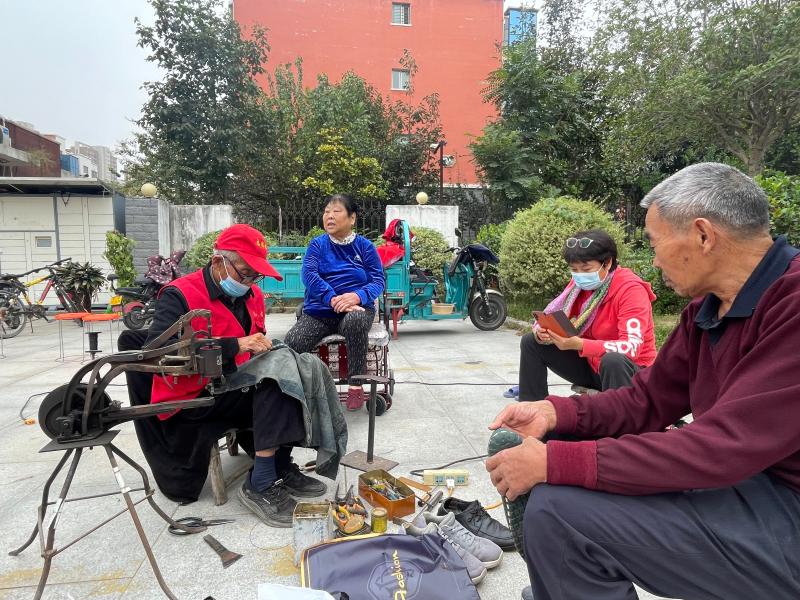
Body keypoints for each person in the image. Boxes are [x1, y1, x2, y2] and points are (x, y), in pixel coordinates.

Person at [485, 162, 800, 600]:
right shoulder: (708, 310)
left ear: (703, 235)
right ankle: (559, 580)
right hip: (745, 483)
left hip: (784, 507)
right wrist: (555, 412)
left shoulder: (792, 304)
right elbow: (647, 399)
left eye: (654, 242)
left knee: (560, 514)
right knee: (544, 469)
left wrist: (557, 461)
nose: (653, 260)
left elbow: (722, 445)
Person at [146, 224, 327, 528]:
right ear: (218, 262)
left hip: (233, 384)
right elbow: (157, 353)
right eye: (245, 273)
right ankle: (261, 482)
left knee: (296, 370)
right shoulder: (180, 295)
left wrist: (266, 350)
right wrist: (235, 345)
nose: (250, 282)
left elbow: (257, 342)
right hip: (194, 396)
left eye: (256, 275)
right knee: (273, 383)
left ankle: (280, 464)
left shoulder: (253, 294)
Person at [513, 229, 657, 402]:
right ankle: (531, 409)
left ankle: (621, 418)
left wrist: (581, 344)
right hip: (593, 366)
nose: (580, 275)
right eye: (574, 269)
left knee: (613, 360)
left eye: (586, 268)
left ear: (607, 263)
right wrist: (544, 332)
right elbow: (559, 314)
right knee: (531, 342)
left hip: (630, 373)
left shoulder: (631, 290)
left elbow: (631, 348)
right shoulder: (579, 286)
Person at [284, 194, 385, 410]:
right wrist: (332, 299)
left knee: (355, 321)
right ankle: (299, 390)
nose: (329, 216)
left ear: (352, 218)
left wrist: (357, 296)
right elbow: (309, 275)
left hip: (356, 309)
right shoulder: (317, 245)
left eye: (336, 211)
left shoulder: (365, 247)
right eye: (326, 212)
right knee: (293, 340)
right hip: (320, 311)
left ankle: (355, 385)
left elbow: (378, 280)